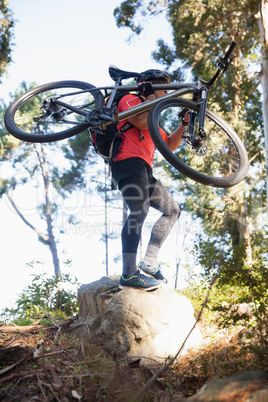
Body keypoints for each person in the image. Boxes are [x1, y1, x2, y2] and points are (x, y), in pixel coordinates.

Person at [111, 69, 188, 290]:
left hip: (144, 170)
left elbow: (169, 144)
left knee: (172, 209)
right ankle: (128, 273)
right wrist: (152, 100)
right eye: (164, 89)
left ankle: (150, 262)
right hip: (127, 162)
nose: (167, 93)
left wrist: (183, 124)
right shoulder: (129, 100)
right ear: (152, 87)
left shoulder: (152, 111)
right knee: (139, 209)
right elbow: (142, 123)